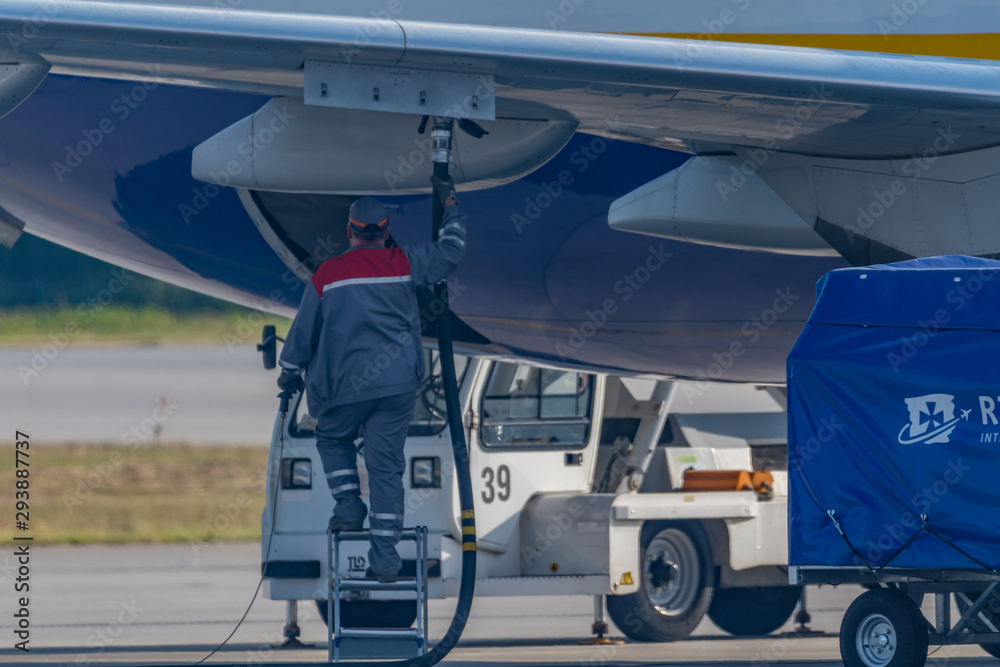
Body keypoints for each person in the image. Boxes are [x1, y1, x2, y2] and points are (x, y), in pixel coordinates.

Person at [276, 177, 465, 582]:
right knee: (385, 470)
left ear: (349, 231)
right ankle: (384, 562)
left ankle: (348, 505)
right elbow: (451, 252)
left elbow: (302, 334)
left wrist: (288, 373)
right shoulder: (404, 264)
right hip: (395, 388)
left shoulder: (327, 276)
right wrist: (449, 205)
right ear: (386, 230)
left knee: (331, 439)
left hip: (343, 390)